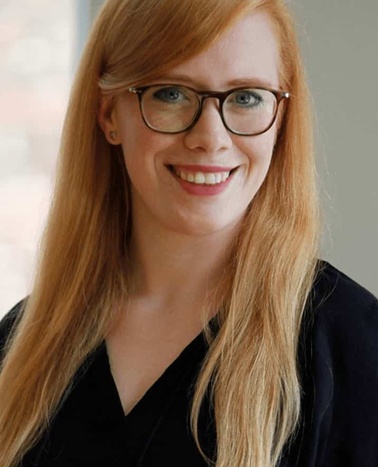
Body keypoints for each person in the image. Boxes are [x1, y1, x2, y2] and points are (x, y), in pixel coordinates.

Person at [1, 0, 377, 466]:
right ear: (108, 115)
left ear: (281, 119)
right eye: (171, 94)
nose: (210, 137)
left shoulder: (353, 346)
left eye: (246, 97)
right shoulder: (20, 345)